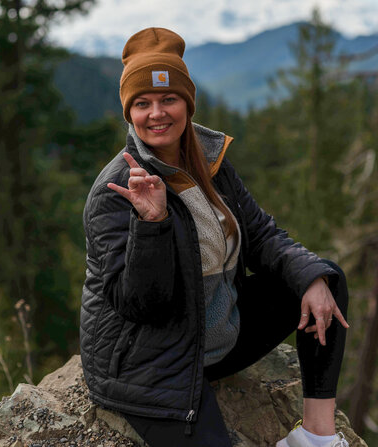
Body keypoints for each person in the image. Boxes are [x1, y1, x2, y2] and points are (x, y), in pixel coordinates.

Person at [80, 27, 349, 447]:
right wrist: (152, 224)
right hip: (151, 362)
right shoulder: (115, 193)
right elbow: (141, 306)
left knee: (322, 277)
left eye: (169, 99)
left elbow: (260, 235)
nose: (157, 113)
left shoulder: (211, 162)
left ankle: (316, 437)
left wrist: (310, 279)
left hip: (216, 337)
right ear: (128, 113)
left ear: (187, 104)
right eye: (142, 103)